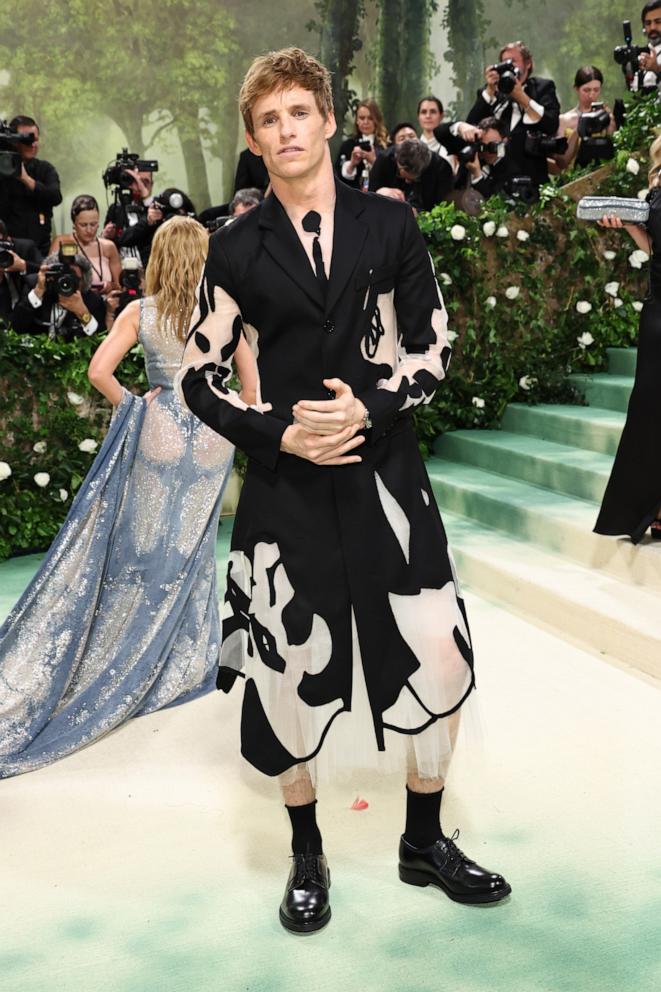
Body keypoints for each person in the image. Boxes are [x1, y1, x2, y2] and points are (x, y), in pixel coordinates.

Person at [177, 46, 510, 936]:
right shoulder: (232, 248)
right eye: (269, 120)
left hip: (388, 474)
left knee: (434, 656)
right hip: (285, 487)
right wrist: (276, 431)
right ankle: (305, 853)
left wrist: (371, 406)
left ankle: (424, 841)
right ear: (255, 139)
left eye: (299, 112)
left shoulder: (389, 226)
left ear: (328, 119)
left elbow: (433, 345)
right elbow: (198, 378)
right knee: (284, 675)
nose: (287, 131)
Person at [0, 216, 256, 778]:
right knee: (192, 555)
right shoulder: (228, 315)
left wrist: (135, 405)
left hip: (160, 425)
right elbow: (252, 394)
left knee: (139, 551)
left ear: (162, 255)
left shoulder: (144, 312)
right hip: (213, 435)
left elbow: (99, 371)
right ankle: (183, 663)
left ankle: (119, 647)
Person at [594, 136, 661, 543]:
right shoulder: (656, 183)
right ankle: (648, 507)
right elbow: (654, 248)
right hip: (658, 308)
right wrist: (633, 226)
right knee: (650, 406)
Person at [466, 40, 560, 195]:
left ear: (528, 64)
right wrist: (490, 91)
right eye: (503, 63)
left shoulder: (542, 88)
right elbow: (471, 126)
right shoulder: (491, 94)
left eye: (513, 61)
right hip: (497, 183)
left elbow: (551, 124)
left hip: (532, 179)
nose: (508, 66)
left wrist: (521, 96)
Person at [0, 116, 62, 255]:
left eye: (36, 140)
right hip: (6, 252)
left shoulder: (45, 169)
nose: (33, 144)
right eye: (27, 139)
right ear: (14, 141)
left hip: (40, 253)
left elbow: (56, 197)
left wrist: (26, 179)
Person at [11, 250, 107, 340]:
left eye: (74, 278)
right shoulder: (34, 286)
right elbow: (16, 329)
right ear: (49, 277)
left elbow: (99, 341)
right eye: (61, 277)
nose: (66, 283)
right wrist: (38, 292)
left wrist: (82, 312)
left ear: (84, 281)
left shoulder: (93, 300)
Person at [51, 195, 121, 296]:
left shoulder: (108, 247)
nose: (89, 230)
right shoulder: (62, 243)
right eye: (83, 225)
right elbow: (49, 279)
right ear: (74, 224)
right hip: (72, 304)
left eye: (93, 224)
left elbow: (120, 286)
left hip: (104, 306)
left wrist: (110, 286)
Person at [553, 67, 616, 173]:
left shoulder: (606, 116)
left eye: (596, 90)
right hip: (574, 179)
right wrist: (580, 129)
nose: (591, 95)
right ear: (577, 89)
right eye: (586, 90)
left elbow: (615, 148)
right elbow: (562, 162)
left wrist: (610, 121)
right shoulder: (564, 120)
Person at [368, 138, 453, 211]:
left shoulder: (442, 168)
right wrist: (380, 192)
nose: (407, 182)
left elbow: (443, 207)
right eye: (404, 177)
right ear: (398, 162)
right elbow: (369, 198)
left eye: (416, 178)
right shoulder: (384, 159)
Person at [118, 188, 196, 266]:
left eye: (178, 213)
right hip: (158, 267)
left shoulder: (193, 227)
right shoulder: (153, 225)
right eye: (169, 213)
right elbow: (124, 239)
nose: (173, 219)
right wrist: (148, 222)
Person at [334, 99, 389, 190]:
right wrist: (352, 164)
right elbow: (338, 179)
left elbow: (390, 178)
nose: (366, 122)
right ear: (357, 121)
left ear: (377, 120)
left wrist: (374, 161)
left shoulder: (386, 145)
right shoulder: (348, 145)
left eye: (370, 118)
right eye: (362, 118)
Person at [0, 219, 43, 322]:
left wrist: (24, 266)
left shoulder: (26, 247)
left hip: (32, 318)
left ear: (8, 240)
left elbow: (47, 271)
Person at [102, 168, 155, 246]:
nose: (140, 186)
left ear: (151, 185)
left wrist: (145, 195)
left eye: (145, 182)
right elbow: (115, 241)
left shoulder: (157, 208)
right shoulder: (116, 209)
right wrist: (105, 235)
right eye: (136, 181)